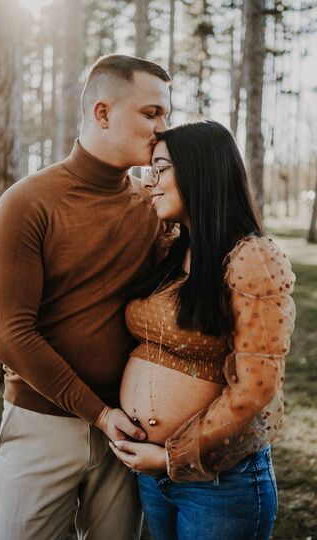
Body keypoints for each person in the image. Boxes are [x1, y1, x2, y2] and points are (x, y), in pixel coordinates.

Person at [0, 54, 171, 540]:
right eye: (151, 113)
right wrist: (98, 414)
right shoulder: (27, 203)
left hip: (130, 432)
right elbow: (10, 336)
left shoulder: (152, 208)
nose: (161, 128)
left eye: (165, 115)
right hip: (41, 423)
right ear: (103, 113)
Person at [109, 120, 296, 540]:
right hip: (151, 475)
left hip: (218, 483)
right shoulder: (171, 248)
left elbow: (254, 389)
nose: (150, 182)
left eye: (160, 168)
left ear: (199, 171)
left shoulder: (252, 259)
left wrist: (171, 458)